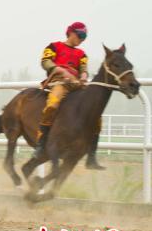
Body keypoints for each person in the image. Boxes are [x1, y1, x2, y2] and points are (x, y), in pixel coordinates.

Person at [34, 22, 104, 169]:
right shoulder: (53, 46)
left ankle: (91, 156)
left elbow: (83, 68)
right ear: (71, 32)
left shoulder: (82, 54)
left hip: (77, 84)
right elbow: (45, 62)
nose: (82, 39)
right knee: (52, 104)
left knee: (96, 114)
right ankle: (41, 143)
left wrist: (84, 75)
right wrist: (59, 70)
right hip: (59, 83)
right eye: (81, 35)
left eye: (84, 36)